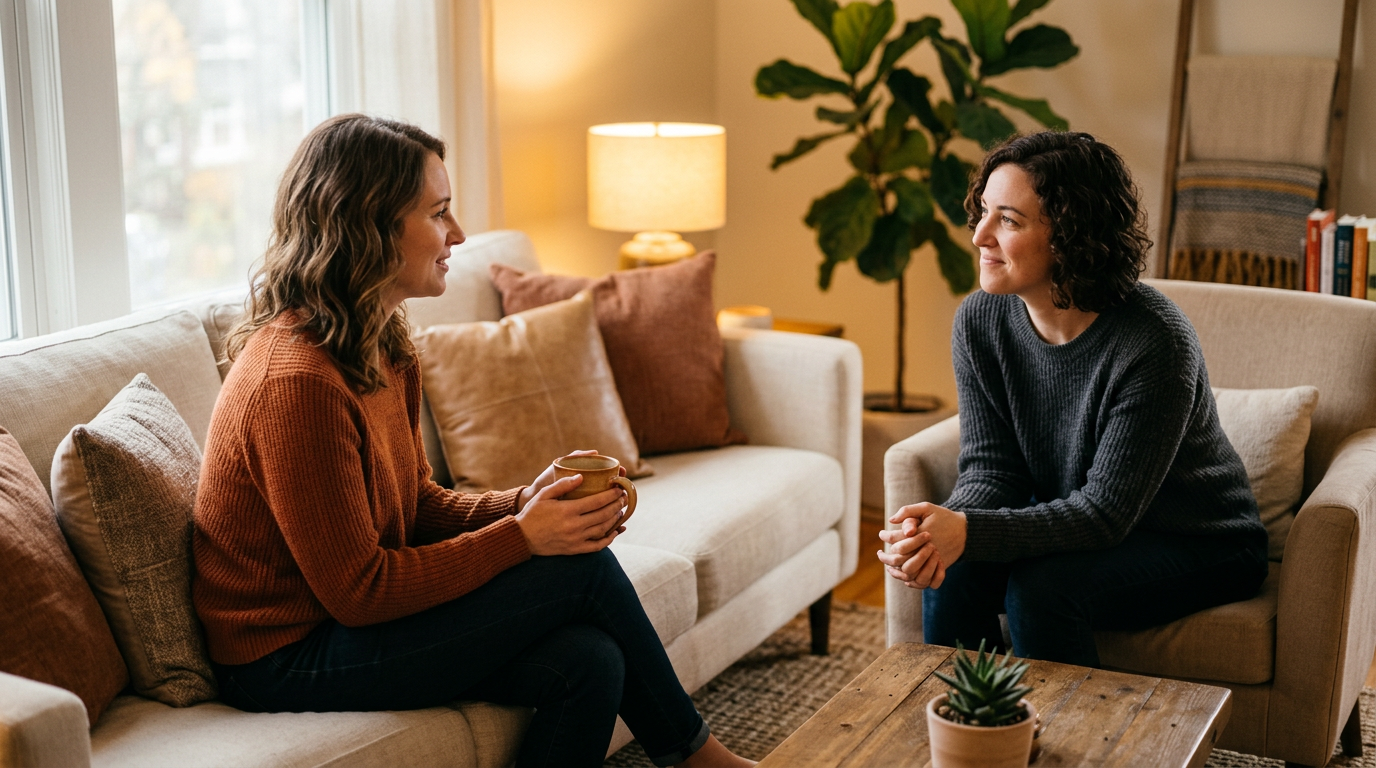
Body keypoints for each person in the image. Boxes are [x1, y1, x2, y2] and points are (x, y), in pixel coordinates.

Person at [192, 114, 753, 768]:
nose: (458, 234)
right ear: (367, 226)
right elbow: (361, 590)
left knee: (590, 661)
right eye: (439, 213)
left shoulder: (384, 345)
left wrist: (527, 501)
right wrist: (524, 537)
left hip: (344, 626)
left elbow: (418, 506)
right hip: (284, 656)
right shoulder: (298, 384)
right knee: (583, 572)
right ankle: (700, 760)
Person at [877, 131, 1268, 667]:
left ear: (1070, 235)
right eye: (984, 212)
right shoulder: (980, 320)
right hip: (1091, 524)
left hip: (1201, 543)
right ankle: (965, 735)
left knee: (1042, 590)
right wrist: (937, 531)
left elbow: (1105, 513)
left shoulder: (1154, 340)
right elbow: (994, 470)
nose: (979, 236)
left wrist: (968, 529)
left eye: (1008, 220)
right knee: (957, 568)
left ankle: (1065, 746)